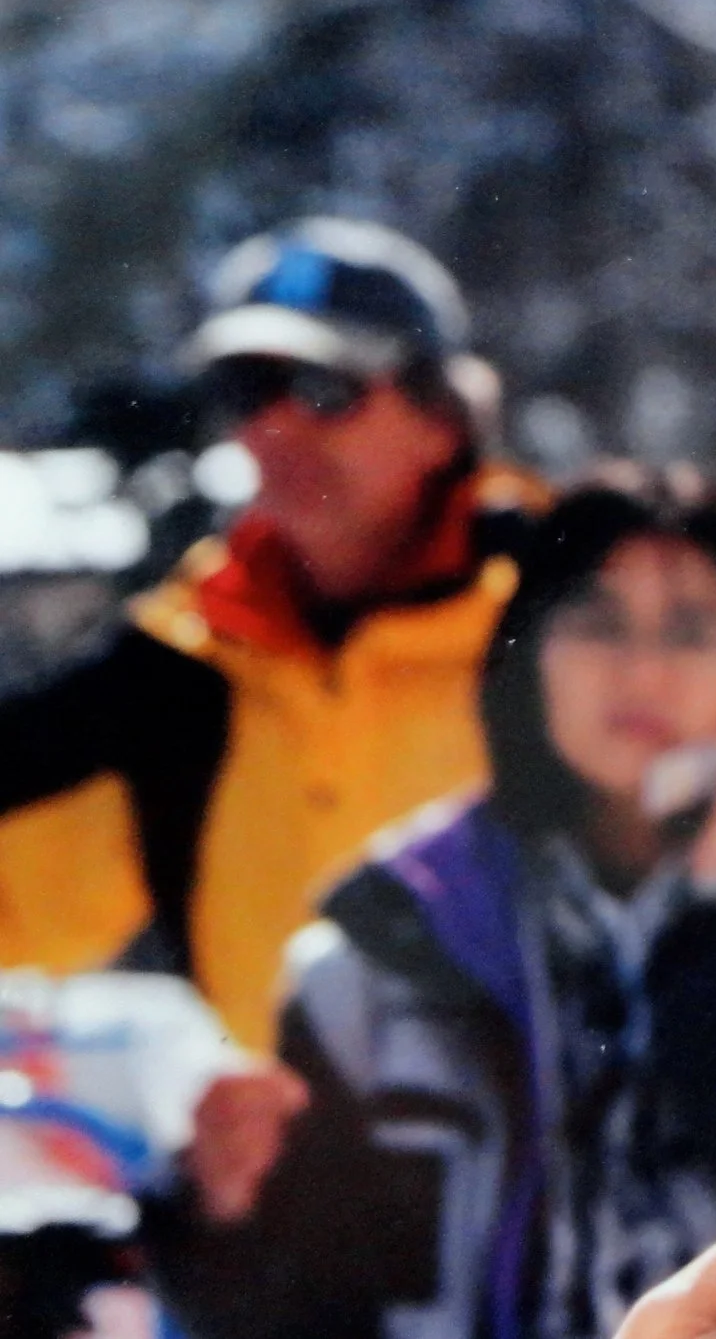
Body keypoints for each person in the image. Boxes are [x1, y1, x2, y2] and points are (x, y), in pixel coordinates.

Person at [159, 468, 716, 1339]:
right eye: (596, 621)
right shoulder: (397, 937)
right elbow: (300, 1312)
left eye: (692, 630)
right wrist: (221, 1212)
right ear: (527, 651)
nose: (642, 668)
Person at [0, 217, 544, 1051]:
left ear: (444, 416)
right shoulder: (177, 674)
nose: (279, 426)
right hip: (286, 1174)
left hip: (553, 1171)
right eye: (249, 388)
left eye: (328, 387)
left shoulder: (569, 625)